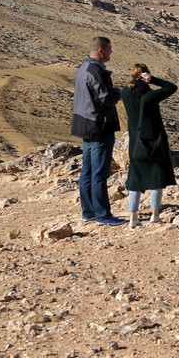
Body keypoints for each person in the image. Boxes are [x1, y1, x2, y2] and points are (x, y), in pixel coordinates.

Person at [72, 36, 124, 225]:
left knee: (87, 171)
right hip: (99, 125)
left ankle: (89, 212)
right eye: (109, 49)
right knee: (99, 172)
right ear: (101, 51)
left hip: (85, 125)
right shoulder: (96, 71)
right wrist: (118, 93)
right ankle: (103, 215)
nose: (111, 52)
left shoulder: (82, 68)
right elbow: (106, 99)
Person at [121, 63, 178, 228]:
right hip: (154, 142)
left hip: (136, 143)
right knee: (156, 178)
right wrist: (153, 80)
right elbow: (171, 87)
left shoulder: (125, 93)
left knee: (135, 179)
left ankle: (133, 217)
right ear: (145, 75)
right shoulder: (150, 95)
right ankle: (155, 214)